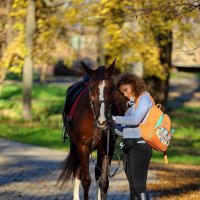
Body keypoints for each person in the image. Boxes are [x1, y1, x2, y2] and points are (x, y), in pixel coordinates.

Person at [112, 73, 153, 200]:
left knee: (139, 186)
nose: (124, 94)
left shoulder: (144, 98)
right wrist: (110, 125)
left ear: (134, 84)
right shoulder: (131, 105)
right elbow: (125, 131)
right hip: (129, 146)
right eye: (122, 92)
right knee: (133, 186)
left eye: (125, 90)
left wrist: (114, 118)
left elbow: (135, 120)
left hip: (140, 147)